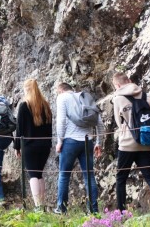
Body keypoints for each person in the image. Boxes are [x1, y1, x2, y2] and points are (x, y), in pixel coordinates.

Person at [112, 72, 150, 219]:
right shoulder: (146, 96)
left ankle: (121, 215)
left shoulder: (118, 99)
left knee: (121, 177)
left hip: (127, 145)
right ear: (130, 80)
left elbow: (118, 122)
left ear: (118, 85)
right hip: (146, 143)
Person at [54, 82, 104, 214]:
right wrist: (99, 141)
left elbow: (61, 122)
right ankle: (93, 210)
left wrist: (60, 141)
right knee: (89, 176)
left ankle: (61, 208)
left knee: (64, 175)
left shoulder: (62, 98)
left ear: (60, 91)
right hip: (88, 142)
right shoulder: (83, 98)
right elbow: (99, 122)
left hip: (70, 141)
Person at [14, 79, 52, 211]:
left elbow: (20, 128)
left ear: (26, 89)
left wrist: (17, 146)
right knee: (39, 174)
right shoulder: (45, 105)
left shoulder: (24, 105)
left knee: (33, 175)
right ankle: (43, 205)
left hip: (30, 145)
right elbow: (50, 127)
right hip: (44, 146)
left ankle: (38, 206)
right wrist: (49, 143)